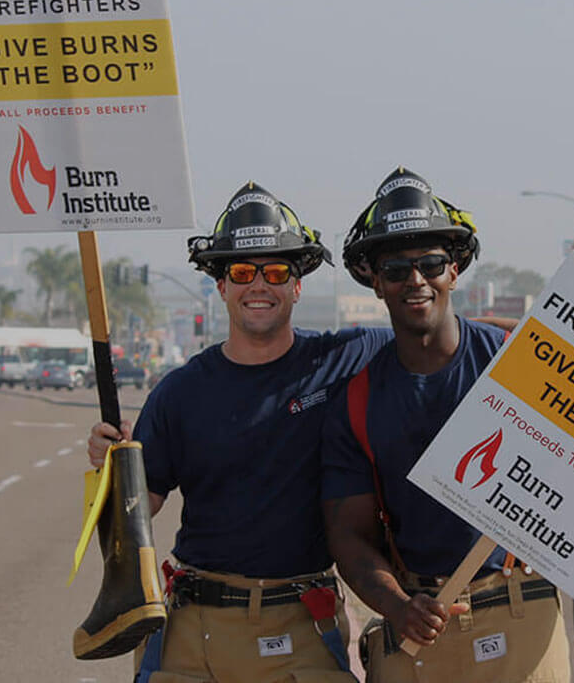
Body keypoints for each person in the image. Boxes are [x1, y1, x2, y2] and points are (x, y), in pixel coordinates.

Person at [320, 168, 574, 682]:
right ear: (375, 281)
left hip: (522, 618)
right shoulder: (357, 400)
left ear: (454, 271)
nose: (416, 279)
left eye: (432, 263)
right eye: (396, 268)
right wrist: (396, 606)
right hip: (419, 632)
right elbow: (348, 536)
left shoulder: (521, 364)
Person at [86, 182, 393, 682]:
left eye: (275, 272)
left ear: (297, 285)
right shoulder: (179, 393)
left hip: (302, 624)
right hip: (195, 628)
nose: (258, 285)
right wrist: (109, 469)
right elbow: (135, 515)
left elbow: (437, 341)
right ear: (221, 284)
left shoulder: (343, 360)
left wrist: (509, 344)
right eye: (242, 272)